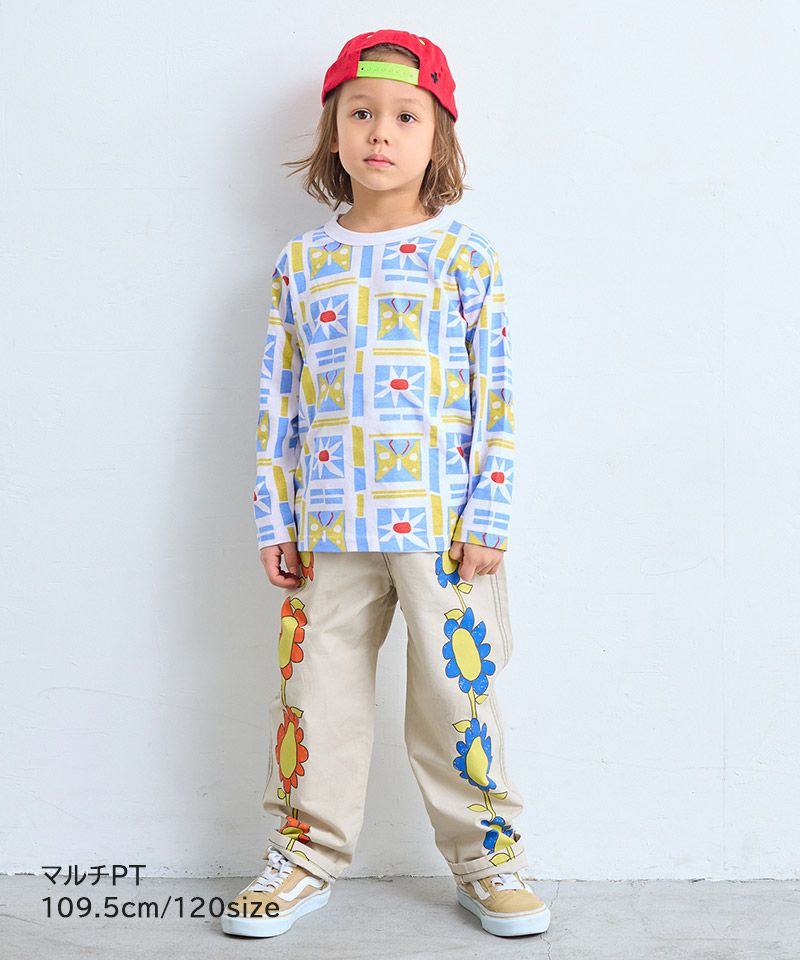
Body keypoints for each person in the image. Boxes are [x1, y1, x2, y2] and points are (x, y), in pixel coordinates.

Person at [221, 28, 550, 940]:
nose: (380, 132)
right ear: (333, 131)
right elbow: (279, 401)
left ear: (437, 137)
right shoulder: (303, 263)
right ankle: (303, 856)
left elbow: (496, 396)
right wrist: (273, 516)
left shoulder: (464, 255)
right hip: (328, 525)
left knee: (456, 699)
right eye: (360, 113)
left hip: (442, 529)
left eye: (406, 116)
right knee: (315, 697)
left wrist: (489, 513)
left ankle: (488, 859)